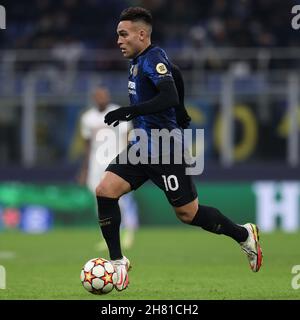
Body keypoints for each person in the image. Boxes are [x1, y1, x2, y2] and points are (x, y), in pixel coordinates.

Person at [96, 7, 263, 291]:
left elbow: (169, 92)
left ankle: (243, 234)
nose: (118, 41)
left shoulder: (152, 57)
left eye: (123, 34)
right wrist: (182, 111)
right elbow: (176, 73)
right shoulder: (138, 61)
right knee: (105, 190)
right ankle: (118, 263)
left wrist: (131, 110)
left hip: (165, 149)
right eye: (117, 35)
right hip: (141, 148)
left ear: (141, 34)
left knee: (188, 214)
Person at [78, 86, 139, 250]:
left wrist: (130, 160)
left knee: (124, 200)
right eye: (98, 96)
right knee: (99, 200)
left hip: (116, 161)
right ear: (93, 98)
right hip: (95, 164)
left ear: (108, 96)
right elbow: (87, 144)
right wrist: (84, 169)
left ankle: (129, 233)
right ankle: (108, 235)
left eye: (103, 95)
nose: (101, 98)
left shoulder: (118, 112)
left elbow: (128, 137)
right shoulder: (87, 118)